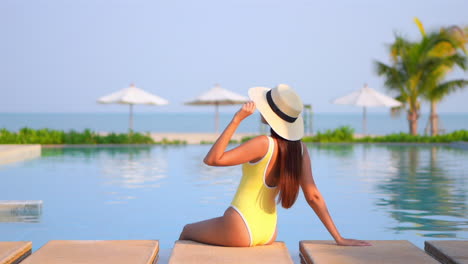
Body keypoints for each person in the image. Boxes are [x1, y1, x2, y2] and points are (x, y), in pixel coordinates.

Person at [179, 84, 371, 247]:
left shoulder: (263, 143)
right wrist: (338, 238)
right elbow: (313, 196)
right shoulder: (300, 150)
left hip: (240, 224)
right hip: (268, 230)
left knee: (187, 231)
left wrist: (237, 119)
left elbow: (212, 159)